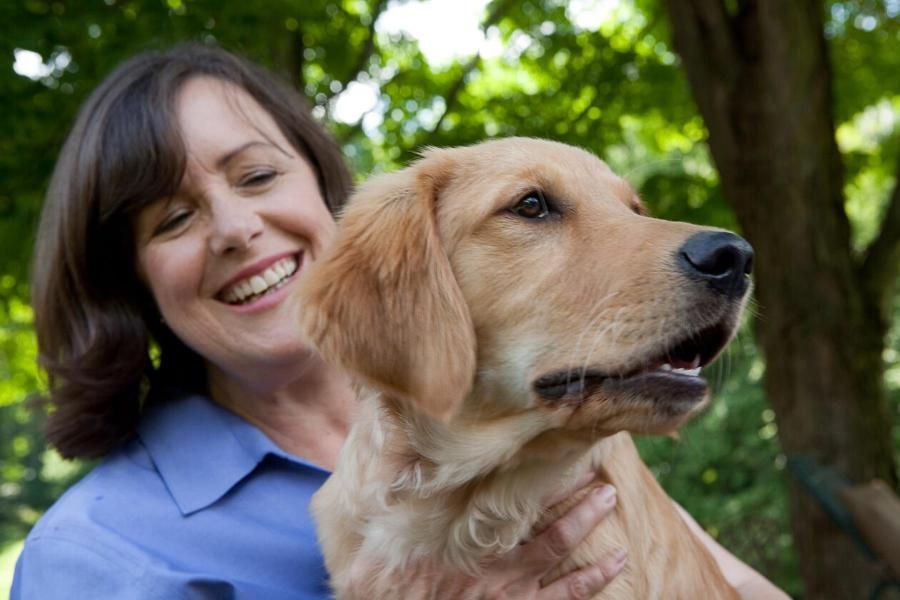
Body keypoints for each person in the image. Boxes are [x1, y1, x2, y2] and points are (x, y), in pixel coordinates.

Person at [10, 44, 785, 599]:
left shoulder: (548, 438)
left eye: (258, 174)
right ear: (130, 286)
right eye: (172, 218)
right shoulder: (94, 554)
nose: (236, 228)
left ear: (321, 188)